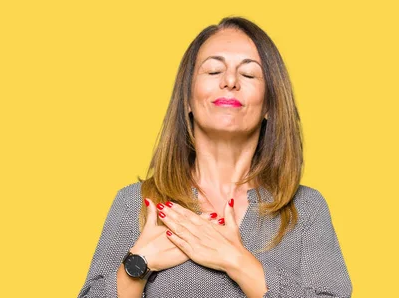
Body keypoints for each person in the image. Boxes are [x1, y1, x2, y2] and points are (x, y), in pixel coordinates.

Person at [77, 16, 352, 298]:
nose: (230, 81)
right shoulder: (135, 204)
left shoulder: (305, 211)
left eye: (248, 74)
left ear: (269, 103)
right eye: (213, 71)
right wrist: (137, 265)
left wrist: (238, 262)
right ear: (186, 99)